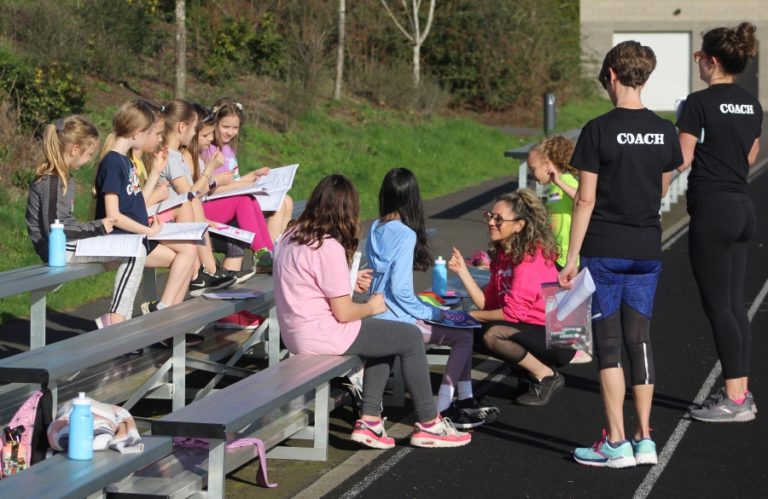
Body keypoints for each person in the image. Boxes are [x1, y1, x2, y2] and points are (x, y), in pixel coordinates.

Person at [273, 174, 471, 449]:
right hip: (324, 333)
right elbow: (343, 313)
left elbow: (307, 285)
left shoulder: (290, 236)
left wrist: (351, 283)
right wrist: (371, 307)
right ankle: (429, 423)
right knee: (410, 336)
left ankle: (370, 421)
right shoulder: (327, 245)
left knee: (388, 335)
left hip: (295, 333)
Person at [559, 41, 682, 468]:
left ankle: (615, 443)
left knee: (609, 346)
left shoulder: (597, 129)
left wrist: (571, 258)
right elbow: (663, 188)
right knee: (640, 340)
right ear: (644, 76)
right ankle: (644, 439)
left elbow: (585, 200)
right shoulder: (666, 130)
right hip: (647, 248)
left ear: (611, 74)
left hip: (605, 250)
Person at [366, 168, 499, 428]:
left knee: (462, 333)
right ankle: (444, 406)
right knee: (462, 335)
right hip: (400, 320)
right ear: (412, 198)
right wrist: (433, 312)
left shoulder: (374, 226)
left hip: (378, 313)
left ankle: (466, 398)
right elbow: (402, 291)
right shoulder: (406, 234)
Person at [677, 22, 761, 423]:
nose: (698, 65)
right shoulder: (752, 104)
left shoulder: (698, 103)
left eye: (698, 58)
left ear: (711, 61)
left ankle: (734, 398)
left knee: (719, 307)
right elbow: (750, 154)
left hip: (713, 210)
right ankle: (741, 393)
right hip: (743, 208)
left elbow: (681, 158)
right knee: (734, 306)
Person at [448, 189, 575, 406]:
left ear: (519, 225)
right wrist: (463, 272)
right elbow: (489, 305)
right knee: (468, 332)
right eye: (490, 216)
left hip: (558, 339)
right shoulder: (503, 255)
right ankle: (518, 377)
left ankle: (546, 375)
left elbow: (511, 313)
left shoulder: (529, 259)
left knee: (492, 334)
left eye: (499, 219)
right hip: (531, 329)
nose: (491, 222)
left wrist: (470, 315)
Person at [26, 116, 146, 329]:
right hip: (59, 248)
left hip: (65, 244)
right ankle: (116, 321)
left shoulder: (62, 178)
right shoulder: (51, 182)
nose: (90, 160)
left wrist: (96, 231)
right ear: (75, 149)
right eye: (89, 154)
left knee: (134, 247)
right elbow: (56, 229)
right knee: (134, 250)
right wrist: (97, 227)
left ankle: (119, 321)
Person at [94, 99, 197, 315]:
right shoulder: (112, 163)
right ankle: (163, 317)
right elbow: (114, 216)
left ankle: (166, 314)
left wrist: (156, 172)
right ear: (138, 133)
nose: (159, 139)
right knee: (187, 256)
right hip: (122, 239)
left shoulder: (126, 161)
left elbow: (136, 203)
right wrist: (148, 231)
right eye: (155, 133)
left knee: (188, 253)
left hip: (134, 235)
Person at [158, 99, 234, 296]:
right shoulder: (171, 156)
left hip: (178, 219)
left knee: (194, 206)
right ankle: (207, 271)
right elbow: (190, 194)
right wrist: (210, 170)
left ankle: (207, 271)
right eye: (194, 129)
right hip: (167, 219)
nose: (194, 134)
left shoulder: (175, 155)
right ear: (182, 127)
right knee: (192, 203)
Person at [527, 136, 592, 365]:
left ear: (547, 165)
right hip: (556, 252)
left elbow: (584, 198)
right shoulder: (553, 188)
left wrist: (560, 182)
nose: (532, 173)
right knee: (559, 298)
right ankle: (565, 344)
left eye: (533, 168)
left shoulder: (566, 180)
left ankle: (579, 348)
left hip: (569, 252)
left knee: (570, 298)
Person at [201, 97, 293, 247]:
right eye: (226, 127)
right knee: (280, 204)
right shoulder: (208, 150)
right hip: (217, 203)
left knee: (287, 200)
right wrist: (249, 184)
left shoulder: (228, 149)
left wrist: (253, 175)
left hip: (231, 197)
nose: (230, 132)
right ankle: (271, 251)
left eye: (235, 128)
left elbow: (233, 181)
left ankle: (281, 248)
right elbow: (213, 189)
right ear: (215, 124)